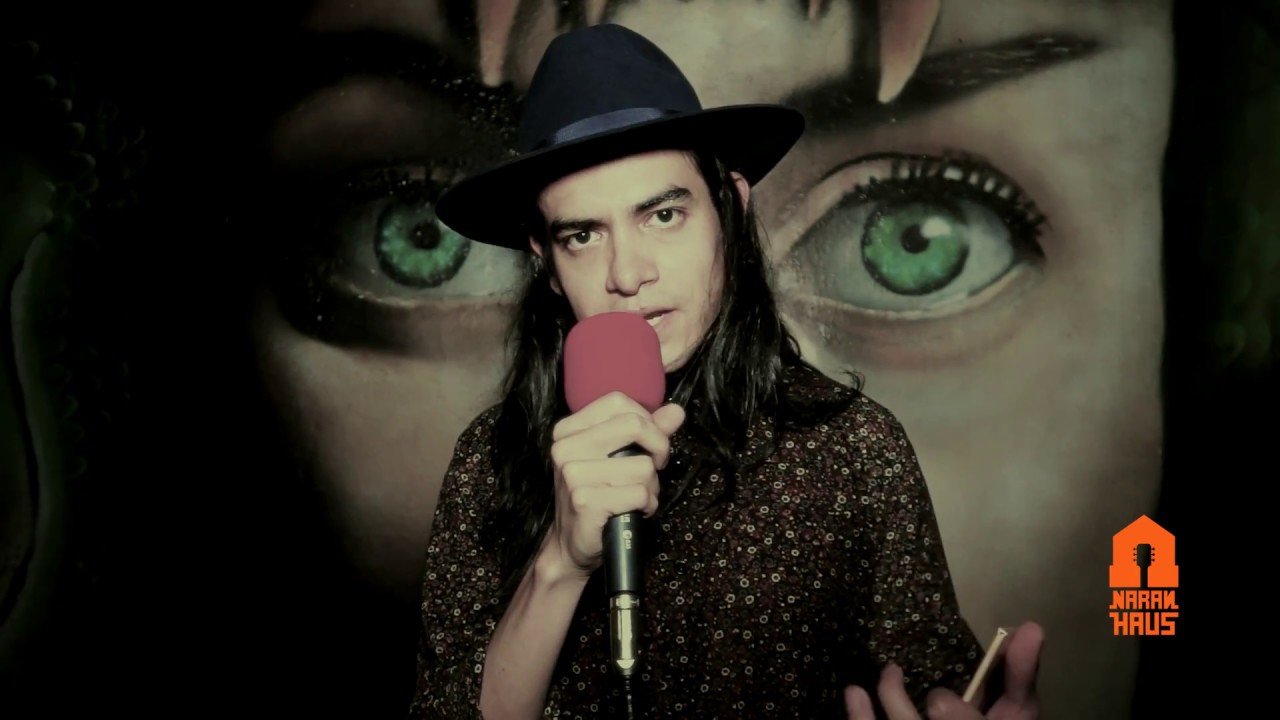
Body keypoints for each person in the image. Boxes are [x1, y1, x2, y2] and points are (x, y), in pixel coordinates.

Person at [409, 23, 1043, 720]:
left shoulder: (853, 448)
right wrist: (559, 562)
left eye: (663, 215)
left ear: (730, 210)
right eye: (583, 235)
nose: (628, 274)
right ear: (547, 262)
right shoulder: (490, 459)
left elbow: (929, 681)